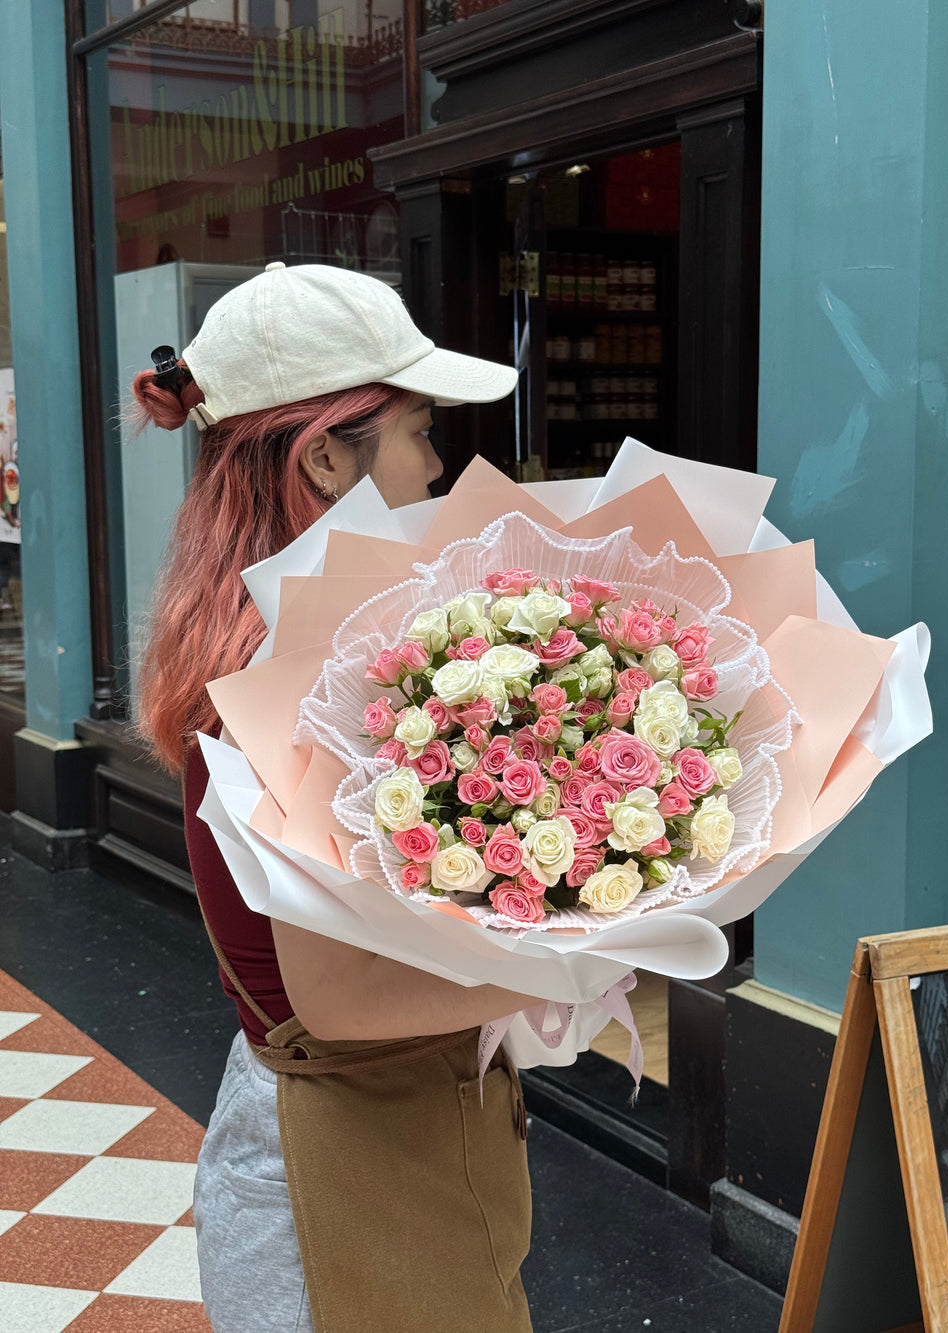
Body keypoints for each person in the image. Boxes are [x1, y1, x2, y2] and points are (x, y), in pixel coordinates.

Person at [132, 262, 542, 1333]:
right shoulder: (293, 672)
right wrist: (577, 966)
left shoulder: (274, 636)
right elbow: (341, 1000)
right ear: (323, 457)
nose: (439, 464)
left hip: (347, 1137)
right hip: (343, 1178)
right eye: (416, 432)